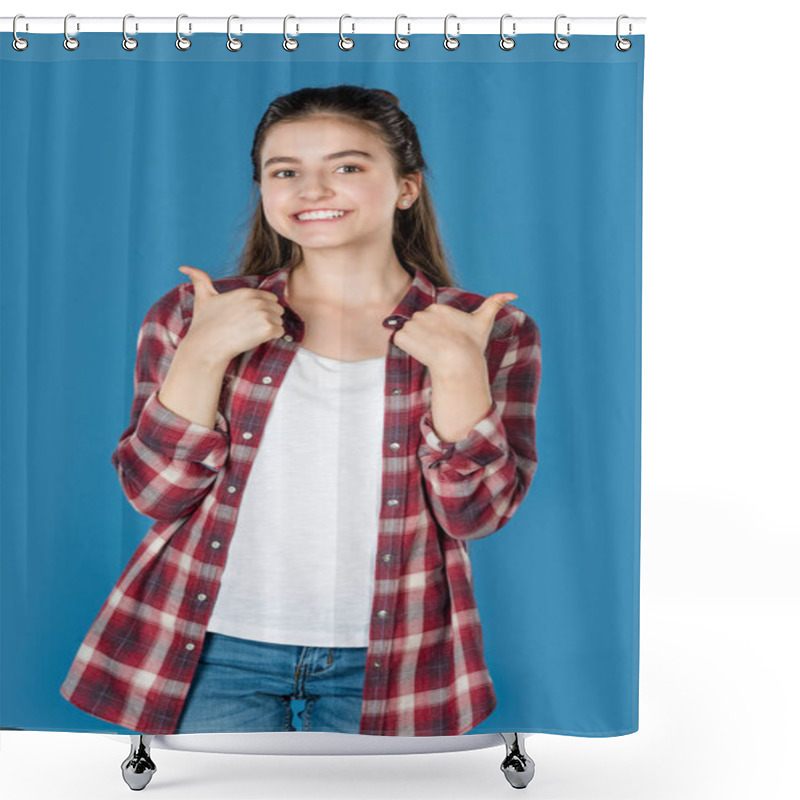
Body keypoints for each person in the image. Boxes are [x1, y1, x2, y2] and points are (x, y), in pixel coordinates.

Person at [59, 84, 542, 737]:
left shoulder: (489, 330)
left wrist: (457, 369)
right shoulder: (193, 315)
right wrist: (203, 353)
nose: (311, 190)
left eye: (346, 166)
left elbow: (475, 515)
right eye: (285, 172)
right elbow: (153, 493)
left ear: (406, 187)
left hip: (396, 658)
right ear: (263, 191)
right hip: (206, 648)